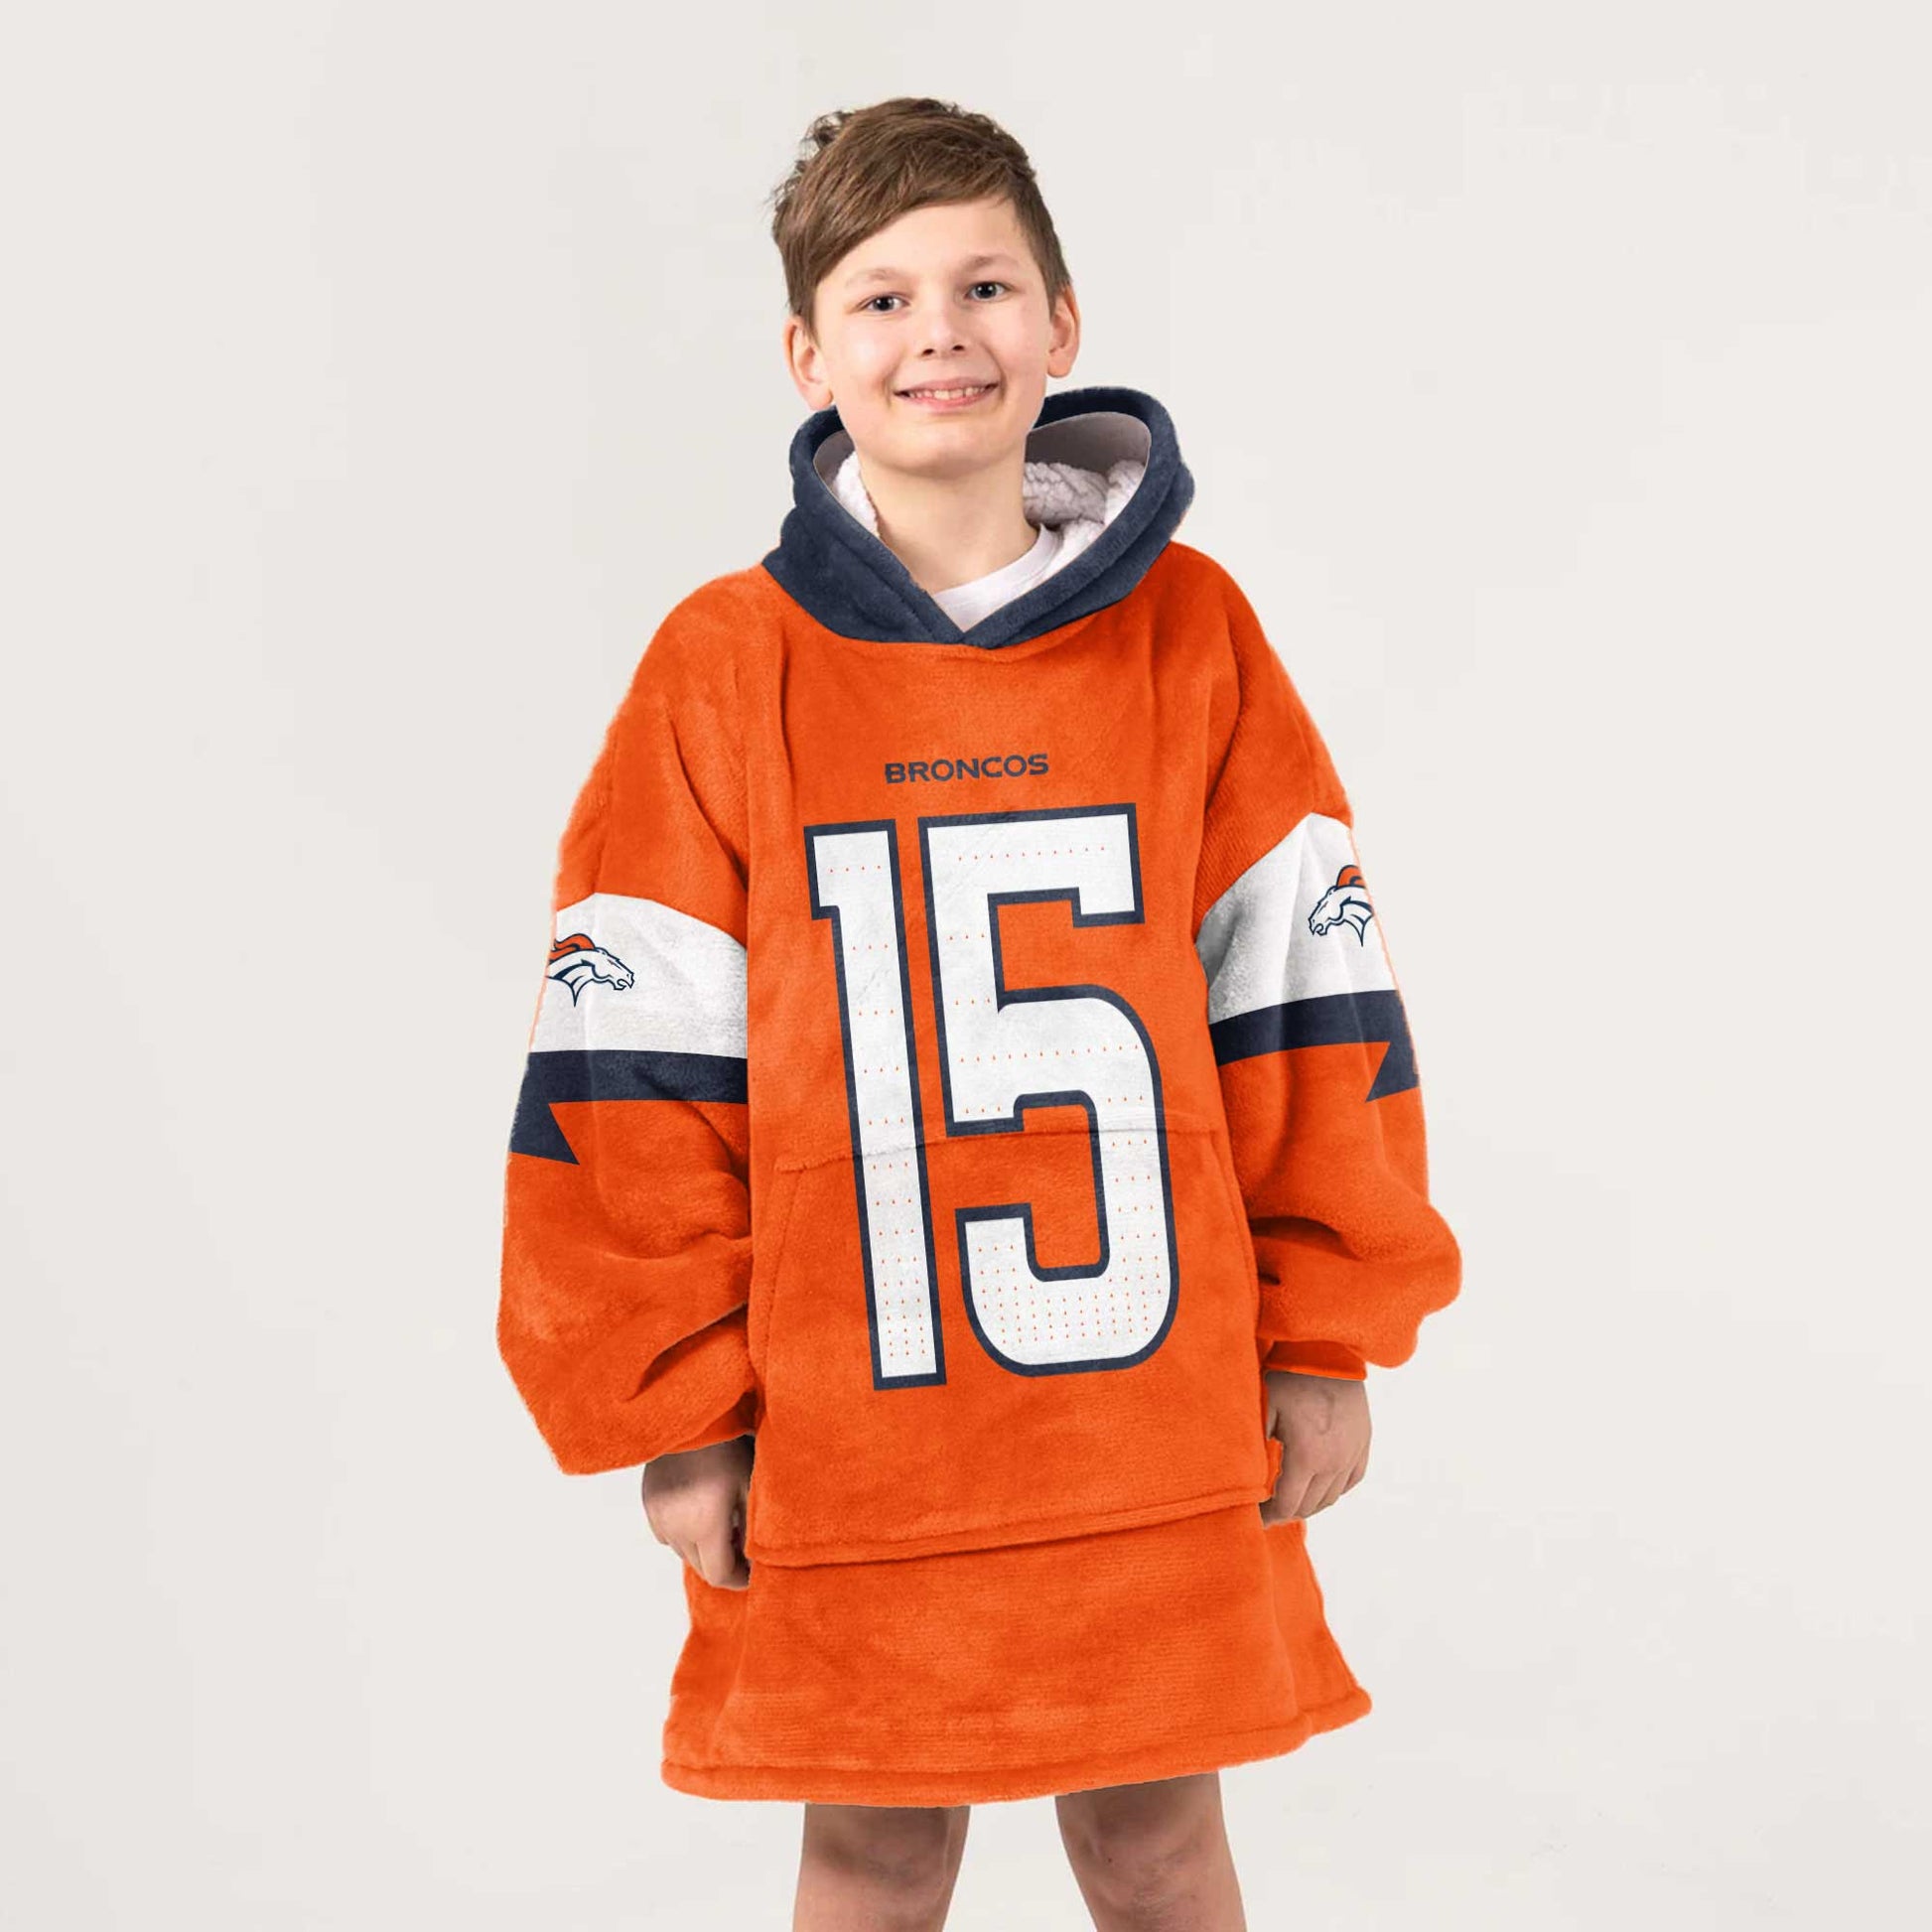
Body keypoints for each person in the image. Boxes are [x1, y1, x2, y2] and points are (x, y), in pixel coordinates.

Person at [497, 95, 1461, 1931]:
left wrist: (1326, 1326)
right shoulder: (723, 666)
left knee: (1155, 1841)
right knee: (873, 1849)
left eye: (984, 286)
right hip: (849, 1428)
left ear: (1061, 323)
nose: (936, 332)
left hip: (1148, 1417)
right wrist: (680, 1405)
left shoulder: (1191, 633)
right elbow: (631, 1067)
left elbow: (1303, 998)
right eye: (880, 299)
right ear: (808, 355)